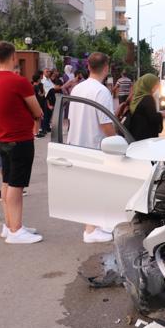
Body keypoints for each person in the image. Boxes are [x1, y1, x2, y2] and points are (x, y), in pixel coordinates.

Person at [0, 41, 43, 244]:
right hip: (20, 138)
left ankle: (10, 225)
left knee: (7, 182)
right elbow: (37, 110)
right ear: (14, 57)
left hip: (2, 138)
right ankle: (16, 230)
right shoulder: (19, 82)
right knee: (17, 186)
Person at [68, 52, 117, 243]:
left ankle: (95, 225)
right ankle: (91, 230)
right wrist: (117, 141)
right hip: (95, 145)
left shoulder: (77, 88)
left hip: (77, 143)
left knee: (89, 188)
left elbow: (71, 118)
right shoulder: (101, 91)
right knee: (97, 188)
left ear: (88, 67)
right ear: (106, 68)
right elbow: (105, 124)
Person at [126, 74, 165, 141]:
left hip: (136, 133)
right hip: (146, 137)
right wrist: (161, 114)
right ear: (148, 85)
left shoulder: (136, 97)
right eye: (155, 84)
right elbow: (153, 118)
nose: (157, 87)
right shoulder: (148, 98)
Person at [31, 72, 45, 138]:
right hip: (37, 104)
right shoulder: (35, 86)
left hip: (39, 103)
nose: (40, 79)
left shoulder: (37, 86)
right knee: (36, 119)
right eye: (39, 78)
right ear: (37, 79)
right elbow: (40, 94)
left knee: (39, 118)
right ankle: (35, 133)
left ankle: (38, 132)